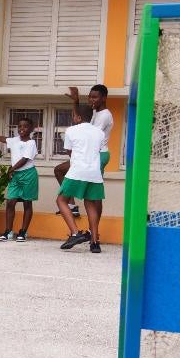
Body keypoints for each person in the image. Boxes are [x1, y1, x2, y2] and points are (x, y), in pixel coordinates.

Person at [57, 85, 113, 217]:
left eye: (95, 97)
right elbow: (80, 119)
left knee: (94, 196)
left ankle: (94, 230)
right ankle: (71, 205)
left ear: (104, 98)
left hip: (98, 155)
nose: (91, 100)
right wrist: (76, 101)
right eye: (89, 96)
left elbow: (84, 131)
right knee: (59, 170)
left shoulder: (104, 115)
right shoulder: (94, 112)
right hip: (88, 154)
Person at [57, 104, 105, 253]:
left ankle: (75, 233)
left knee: (61, 200)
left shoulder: (71, 130)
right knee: (90, 204)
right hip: (94, 173)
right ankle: (95, 242)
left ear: (77, 117)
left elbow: (69, 151)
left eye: (73, 116)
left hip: (77, 171)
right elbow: (99, 151)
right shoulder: (99, 133)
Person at [0, 118, 39, 242]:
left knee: (27, 203)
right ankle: (8, 231)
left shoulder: (31, 143)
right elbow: (5, 139)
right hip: (16, 175)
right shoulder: (14, 140)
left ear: (31, 129)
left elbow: (25, 159)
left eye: (25, 127)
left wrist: (11, 169)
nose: (22, 129)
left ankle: (23, 232)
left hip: (28, 174)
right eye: (20, 126)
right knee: (10, 202)